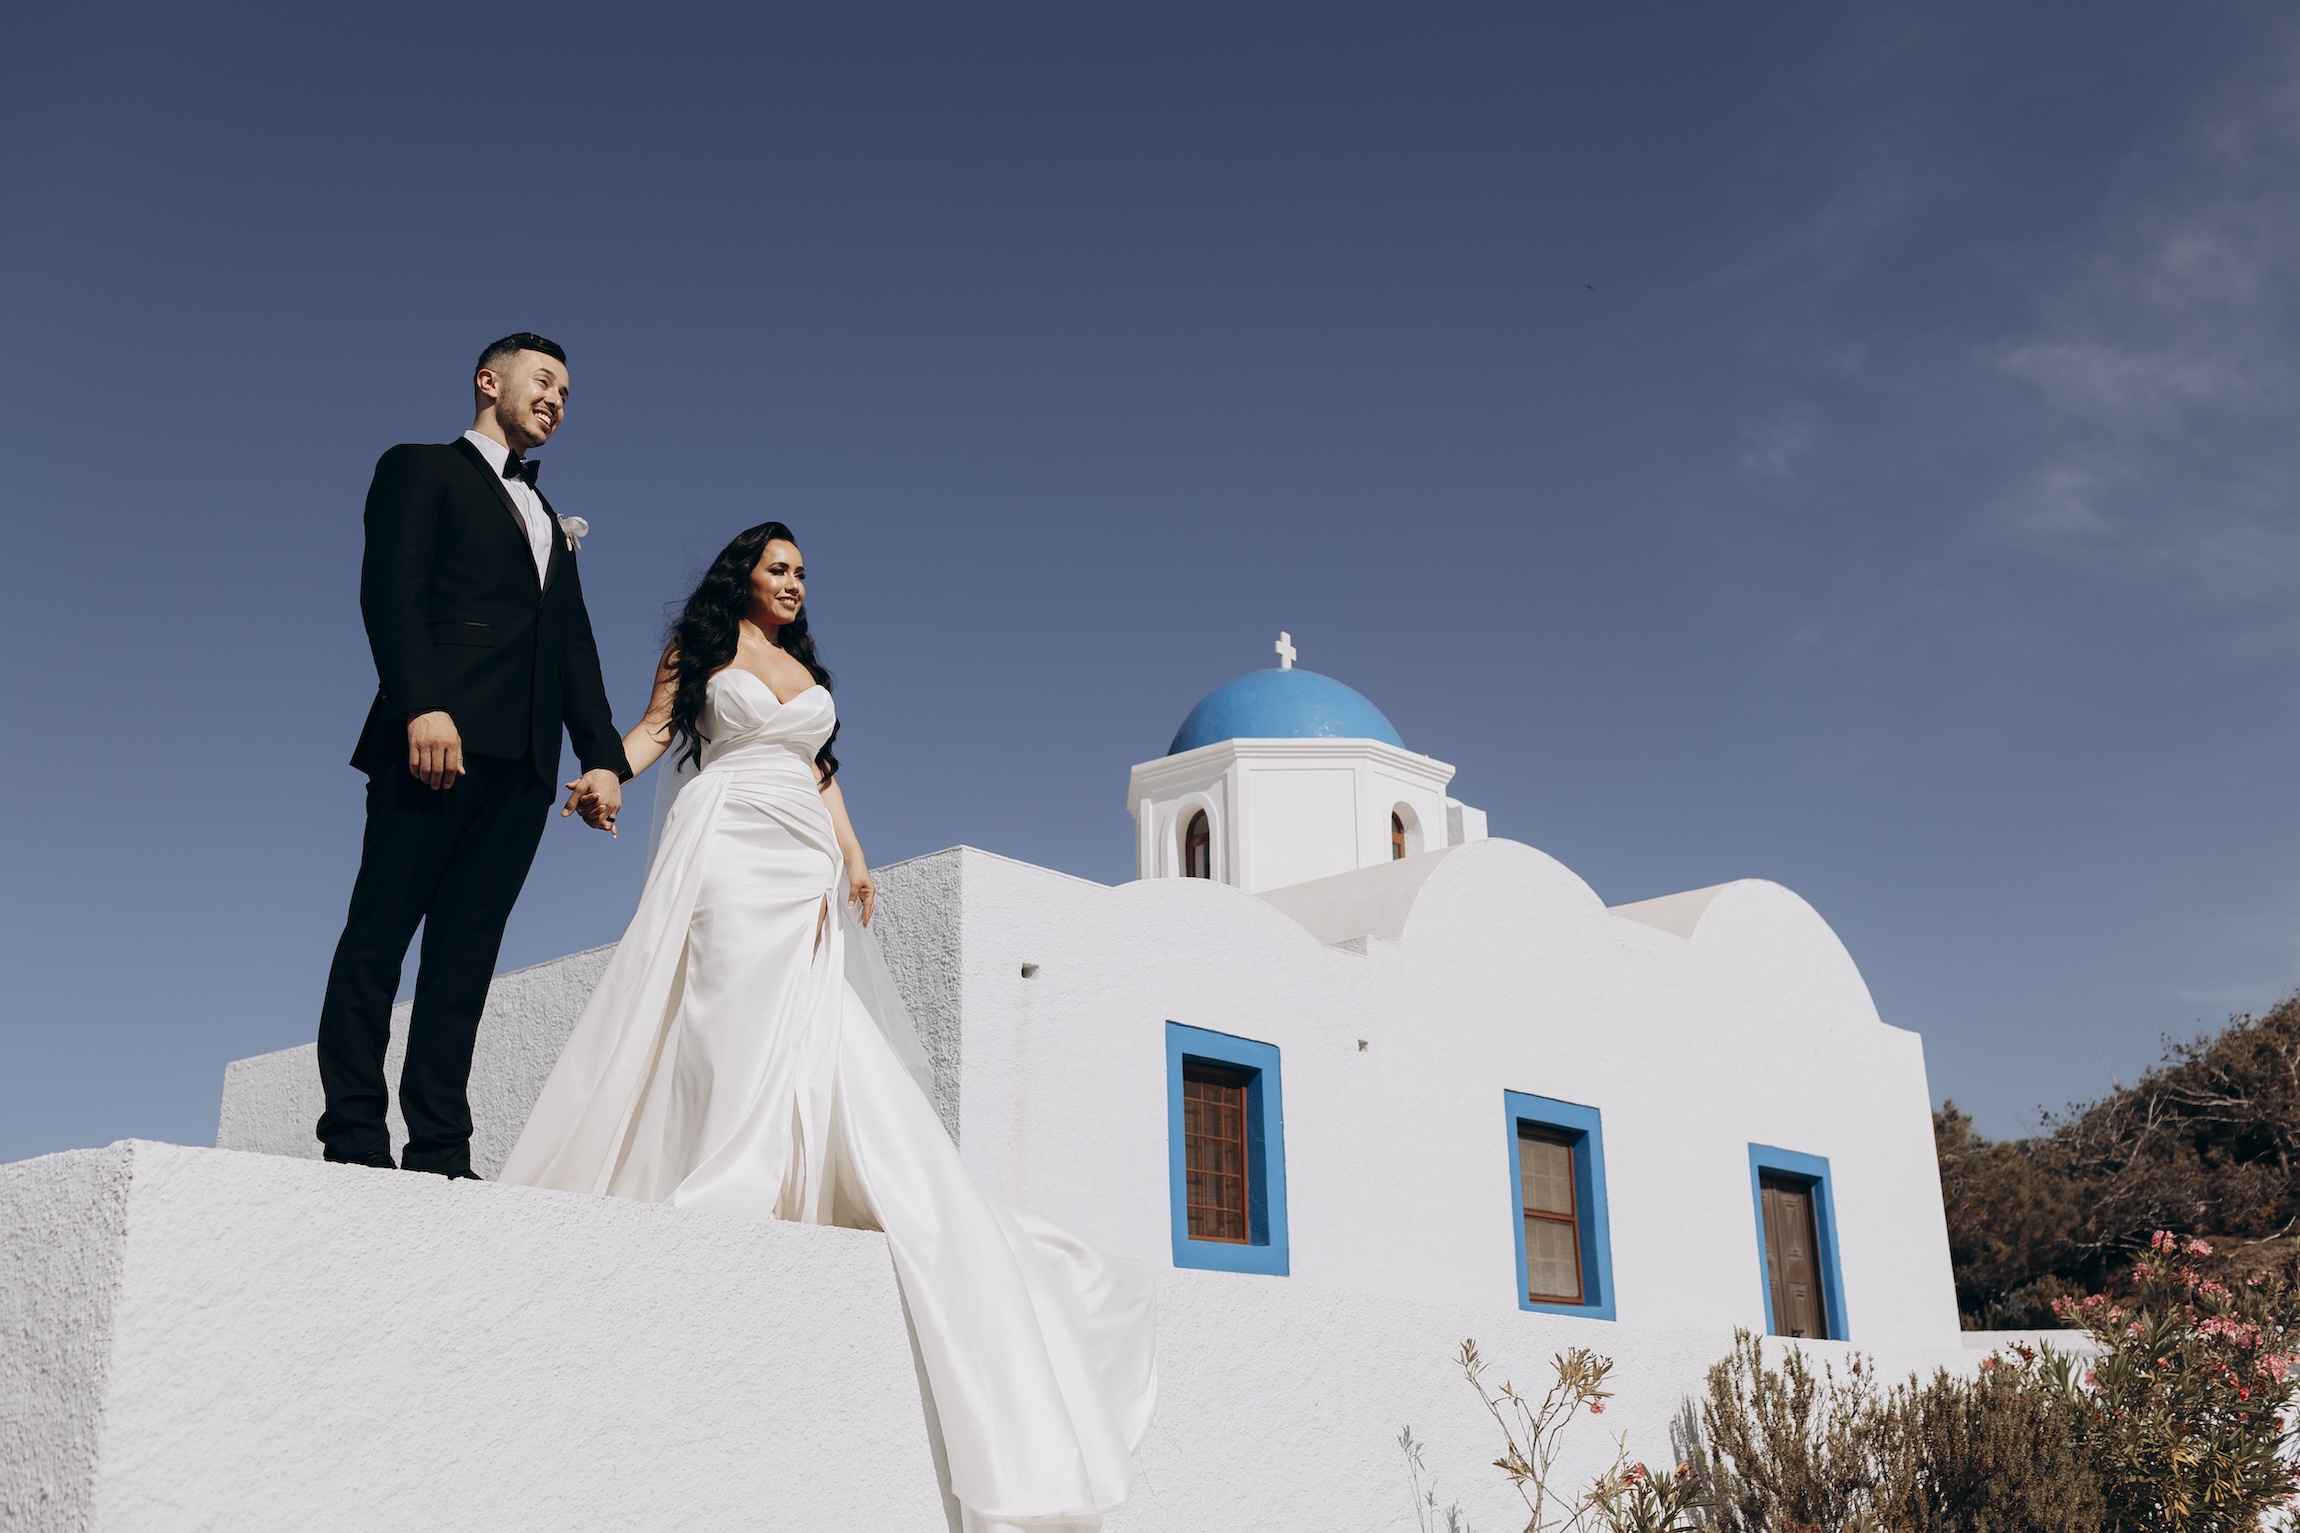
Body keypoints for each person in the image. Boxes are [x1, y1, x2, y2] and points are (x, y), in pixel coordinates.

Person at [501, 524, 1156, 1533]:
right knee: (723, 997)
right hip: (722, 837)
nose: (795, 584)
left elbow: (820, 767)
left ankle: (788, 1169)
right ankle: (726, 1170)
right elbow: (649, 730)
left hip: (799, 846)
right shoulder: (700, 646)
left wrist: (853, 855)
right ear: (742, 577)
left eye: (803, 572)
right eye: (778, 569)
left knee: (801, 1012)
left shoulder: (804, 669)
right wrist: (603, 775)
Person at [314, 334, 630, 1177]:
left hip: (524, 766)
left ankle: (442, 1150)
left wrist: (601, 759)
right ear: (489, 382)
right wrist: (423, 704)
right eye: (544, 380)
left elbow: (575, 653)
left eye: (568, 390)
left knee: (465, 960)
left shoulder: (553, 525)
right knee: (379, 936)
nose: (558, 397)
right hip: (435, 743)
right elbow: (390, 589)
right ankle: (351, 1136)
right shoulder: (418, 467)